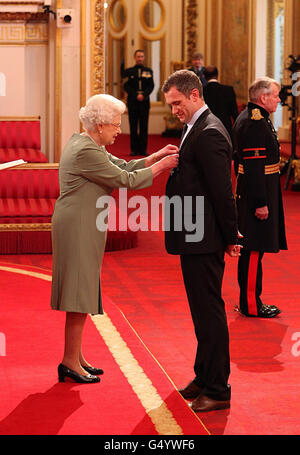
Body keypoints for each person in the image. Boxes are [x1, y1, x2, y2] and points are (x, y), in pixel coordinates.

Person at [51, 94, 178, 384]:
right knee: (78, 290)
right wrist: (163, 166)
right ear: (99, 125)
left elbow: (123, 167)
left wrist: (154, 157)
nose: (119, 130)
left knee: (82, 288)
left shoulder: (89, 143)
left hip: (83, 221)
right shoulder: (87, 150)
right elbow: (126, 181)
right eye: (115, 125)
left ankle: (76, 356)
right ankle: (70, 362)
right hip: (78, 224)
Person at [162, 70, 241, 412]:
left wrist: (231, 235)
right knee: (201, 312)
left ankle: (218, 388)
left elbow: (223, 192)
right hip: (193, 233)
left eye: (177, 103)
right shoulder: (194, 125)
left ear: (195, 95)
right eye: (170, 105)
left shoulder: (209, 131)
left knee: (209, 312)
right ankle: (203, 374)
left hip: (205, 237)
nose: (174, 110)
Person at [233, 77, 287, 318]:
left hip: (256, 190)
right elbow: (254, 168)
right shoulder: (255, 123)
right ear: (263, 98)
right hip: (257, 194)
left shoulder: (255, 117)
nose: (278, 99)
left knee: (255, 250)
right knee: (254, 249)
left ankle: (250, 300)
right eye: (275, 95)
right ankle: (251, 305)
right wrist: (260, 203)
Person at [121, 49, 154, 156]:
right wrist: (136, 95)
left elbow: (151, 86)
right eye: (138, 56)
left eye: (141, 56)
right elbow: (126, 86)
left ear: (144, 58)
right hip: (133, 102)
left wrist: (143, 95)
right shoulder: (128, 71)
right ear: (135, 58)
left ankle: (143, 149)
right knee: (133, 126)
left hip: (144, 102)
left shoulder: (148, 71)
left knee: (144, 126)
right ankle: (134, 149)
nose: (140, 58)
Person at [203, 65, 238, 139]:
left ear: (204, 77)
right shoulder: (228, 90)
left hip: (206, 130)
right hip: (225, 130)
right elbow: (235, 114)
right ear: (217, 75)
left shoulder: (202, 92)